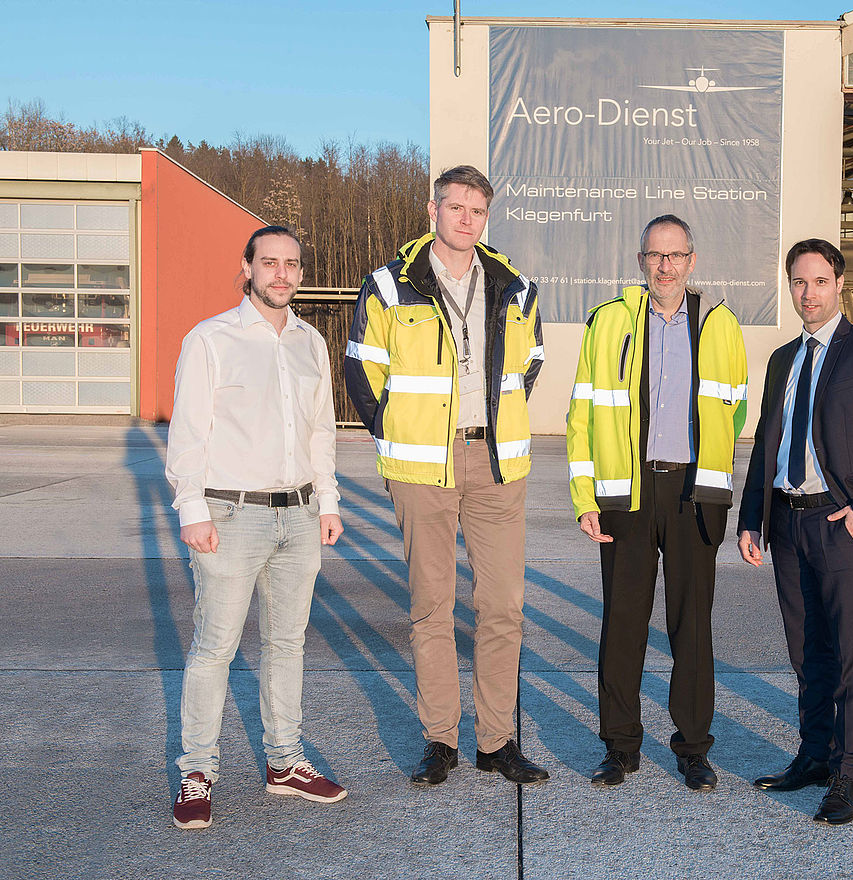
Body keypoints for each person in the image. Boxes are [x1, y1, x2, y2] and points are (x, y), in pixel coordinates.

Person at [345, 166, 548, 786]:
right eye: (455, 207)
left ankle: (497, 741)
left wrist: (495, 422)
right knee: (431, 607)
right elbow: (361, 372)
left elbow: (530, 363)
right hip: (419, 468)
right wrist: (395, 432)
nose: (466, 219)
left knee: (502, 605)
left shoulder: (516, 286)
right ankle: (441, 740)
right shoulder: (388, 285)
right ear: (432, 211)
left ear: (486, 217)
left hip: (494, 463)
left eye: (477, 210)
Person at [166, 225, 347, 830]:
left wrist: (328, 502)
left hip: (298, 515)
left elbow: (321, 431)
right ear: (246, 268)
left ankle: (285, 762)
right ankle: (197, 771)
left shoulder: (310, 343)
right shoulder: (211, 339)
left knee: (288, 643)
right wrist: (191, 508)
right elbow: (189, 432)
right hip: (230, 515)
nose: (281, 274)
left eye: (291, 264)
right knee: (215, 647)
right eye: (268, 263)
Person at [737, 238, 853, 824]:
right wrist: (752, 517)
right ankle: (814, 754)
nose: (807, 293)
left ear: (839, 283)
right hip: (788, 521)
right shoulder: (781, 359)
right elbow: (768, 442)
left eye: (818, 281)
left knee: (847, 649)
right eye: (797, 282)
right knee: (803, 649)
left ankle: (849, 772)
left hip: (842, 523)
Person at [567, 214, 747, 791]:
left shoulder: (721, 325)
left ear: (692, 261)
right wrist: (584, 495)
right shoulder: (609, 322)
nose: (665, 266)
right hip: (629, 492)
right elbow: (581, 415)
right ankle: (620, 746)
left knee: (691, 627)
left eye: (675, 256)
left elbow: (735, 408)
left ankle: (693, 747)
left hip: (695, 494)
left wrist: (712, 473)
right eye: (655, 255)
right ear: (641, 261)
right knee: (622, 623)